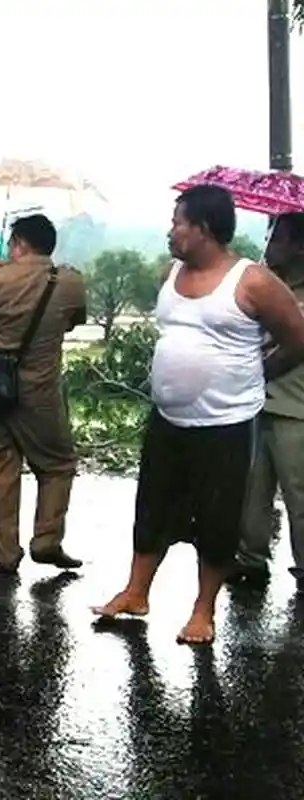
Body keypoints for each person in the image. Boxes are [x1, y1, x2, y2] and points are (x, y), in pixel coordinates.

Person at [93, 186, 304, 644]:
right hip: (168, 416)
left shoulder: (252, 281)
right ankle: (135, 593)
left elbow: (297, 339)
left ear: (204, 228)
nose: (171, 231)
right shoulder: (173, 273)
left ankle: (203, 611)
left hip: (225, 423)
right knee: (152, 507)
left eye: (178, 223)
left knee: (217, 517)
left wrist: (259, 371)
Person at [0, 214, 87, 574]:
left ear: (18, 243)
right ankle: (47, 540)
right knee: (58, 464)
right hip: (42, 393)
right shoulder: (71, 281)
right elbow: (75, 319)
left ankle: (5, 555)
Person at [231, 212, 304, 590]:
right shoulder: (264, 286)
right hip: (257, 405)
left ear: (299, 247)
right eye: (269, 236)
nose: (268, 246)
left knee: (299, 494)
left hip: (296, 408)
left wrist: (256, 370)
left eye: (278, 238)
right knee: (251, 490)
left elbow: (292, 348)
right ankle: (250, 560)